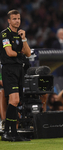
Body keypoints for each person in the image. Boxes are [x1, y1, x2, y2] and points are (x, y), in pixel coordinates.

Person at [0, 10, 31, 141]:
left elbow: (28, 53)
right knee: (13, 101)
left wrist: (24, 39)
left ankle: (14, 132)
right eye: (14, 19)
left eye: (18, 18)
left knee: (16, 101)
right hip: (9, 70)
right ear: (9, 21)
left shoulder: (20, 35)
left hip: (19, 70)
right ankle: (7, 132)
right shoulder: (4, 34)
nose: (17, 21)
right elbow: (9, 53)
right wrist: (21, 54)